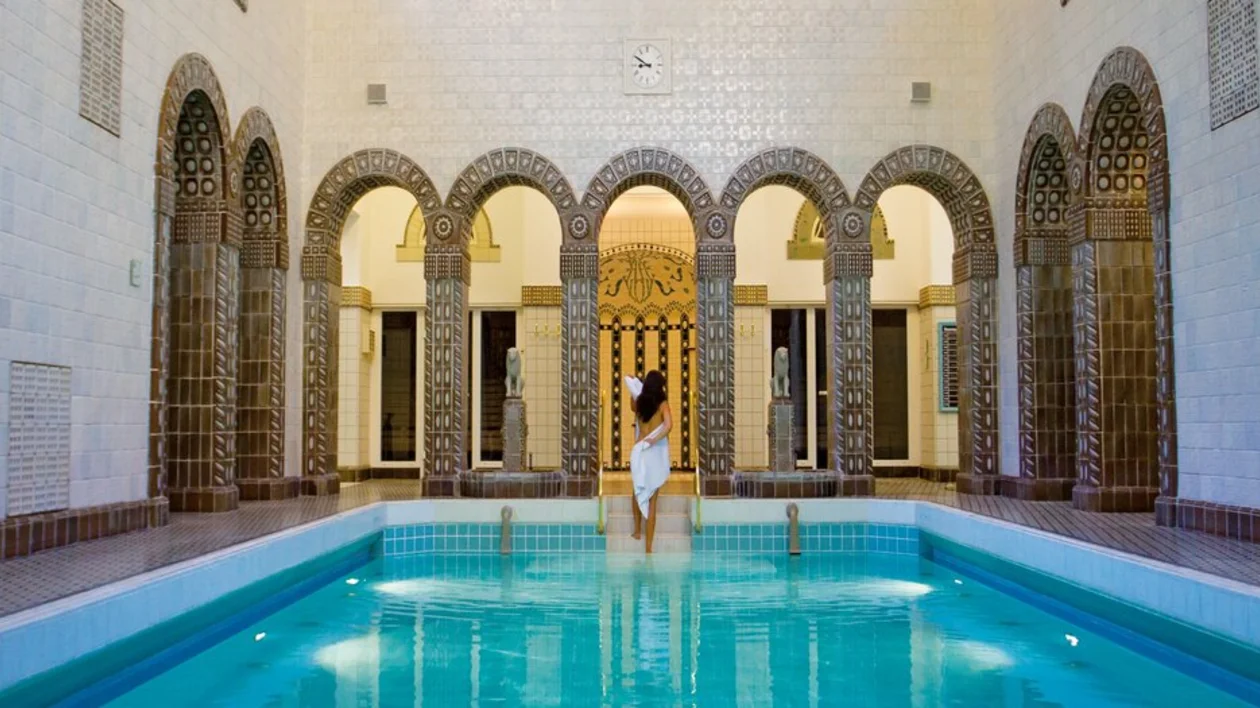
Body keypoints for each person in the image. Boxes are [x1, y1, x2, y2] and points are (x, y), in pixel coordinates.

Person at [628, 370, 672, 554]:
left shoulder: (639, 402)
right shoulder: (663, 405)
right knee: (652, 500)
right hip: (653, 452)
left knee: (637, 490)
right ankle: (648, 548)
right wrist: (656, 438)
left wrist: (633, 384)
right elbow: (669, 425)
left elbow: (632, 406)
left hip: (639, 451)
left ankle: (638, 531)